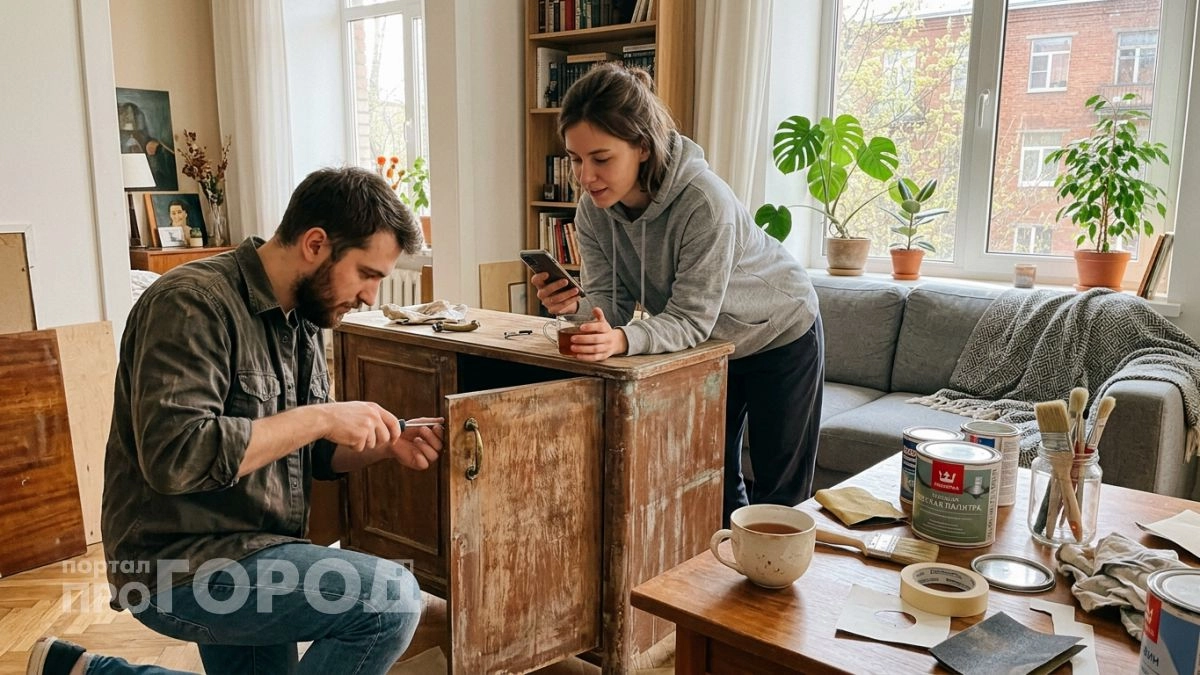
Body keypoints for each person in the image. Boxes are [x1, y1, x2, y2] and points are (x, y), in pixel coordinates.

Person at [28, 167, 443, 675]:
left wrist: (385, 442)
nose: (371, 297)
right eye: (367, 274)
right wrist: (321, 416)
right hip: (176, 564)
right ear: (315, 244)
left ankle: (81, 670)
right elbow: (177, 456)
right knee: (390, 599)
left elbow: (311, 450)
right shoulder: (190, 303)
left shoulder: (302, 317)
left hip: (257, 549)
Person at [531, 63, 824, 526]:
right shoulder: (592, 211)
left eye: (601, 159)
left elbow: (689, 319)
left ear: (643, 147)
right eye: (575, 159)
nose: (585, 177)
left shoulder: (705, 202)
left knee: (780, 499)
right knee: (710, 481)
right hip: (709, 344)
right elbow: (611, 304)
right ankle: (718, 574)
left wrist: (622, 340)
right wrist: (575, 308)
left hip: (780, 332)